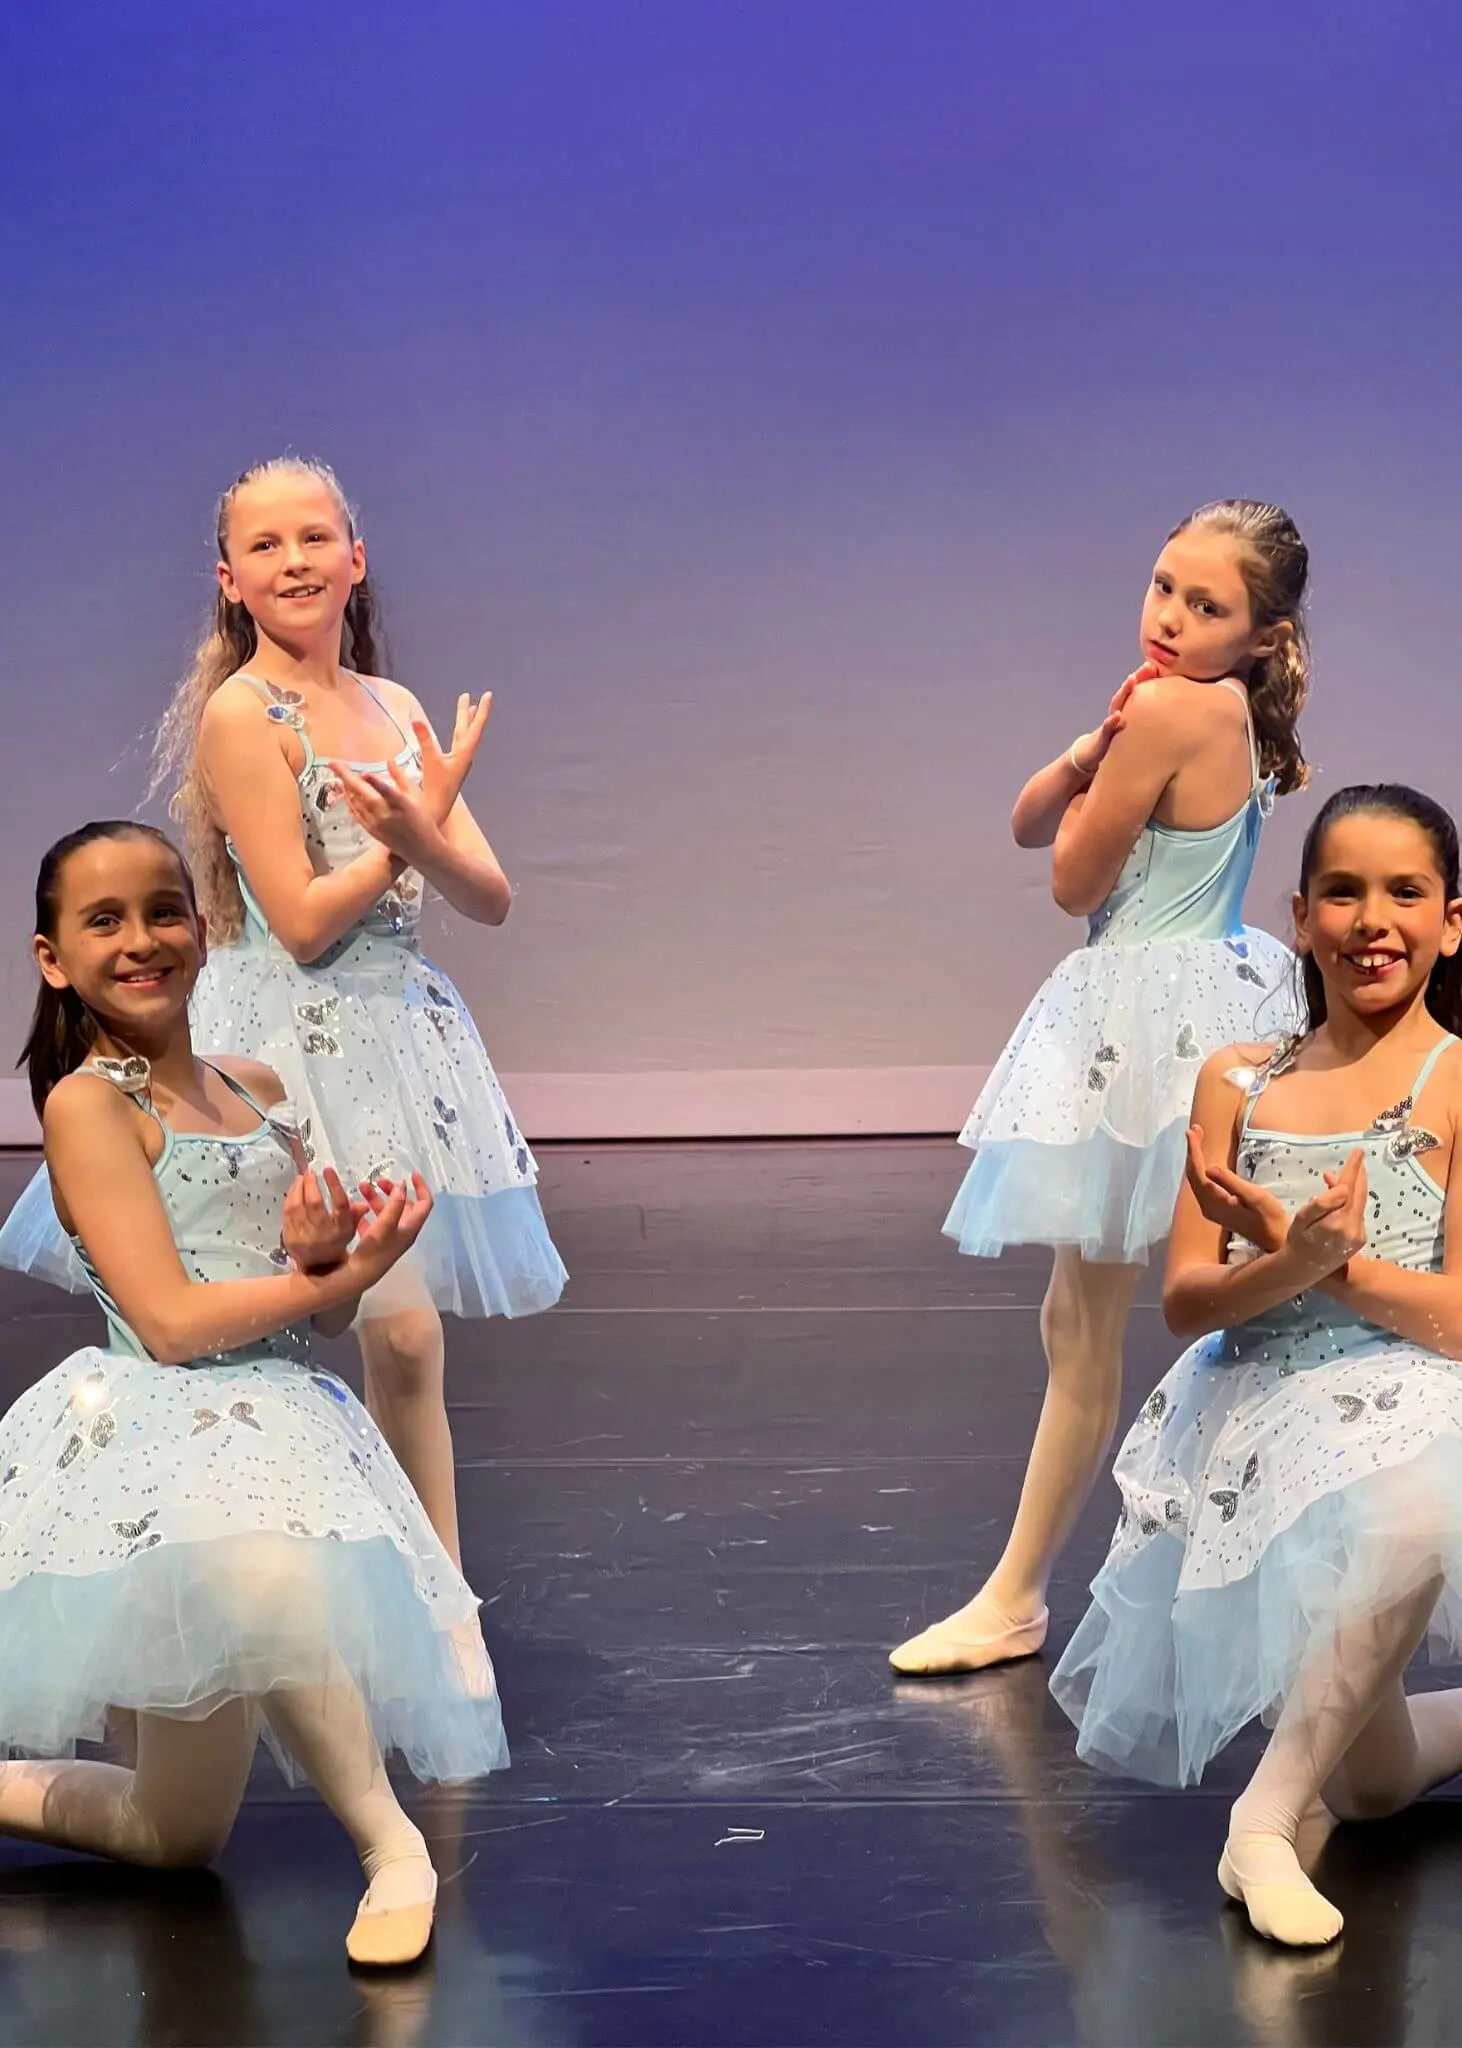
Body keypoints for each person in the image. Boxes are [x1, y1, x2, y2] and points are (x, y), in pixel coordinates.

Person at [0, 455, 565, 1575]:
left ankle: (430, 1593)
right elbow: (301, 921)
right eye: (265, 545)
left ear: (356, 559)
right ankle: (334, 1579)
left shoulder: (395, 708)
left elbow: (489, 895)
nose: (293, 560)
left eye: (314, 538)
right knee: (349, 1319)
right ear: (230, 580)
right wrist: (406, 840)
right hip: (289, 1044)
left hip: (396, 1040)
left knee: (408, 1344)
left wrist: (430, 826)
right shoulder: (241, 711)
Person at [0, 819, 507, 1966]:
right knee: (266, 1569)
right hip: (165, 1440)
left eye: (164, 910)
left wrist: (329, 1268)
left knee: (176, 1832)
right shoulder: (89, 1105)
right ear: (52, 957)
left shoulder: (257, 1085)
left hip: (279, 1416)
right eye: (105, 920)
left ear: (201, 928)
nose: (143, 940)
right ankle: (393, 1845)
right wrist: (328, 1276)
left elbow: (316, 1316)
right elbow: (173, 1325)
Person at [892, 500, 1309, 1676]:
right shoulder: (1221, 709)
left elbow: (1072, 878)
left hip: (1150, 1026)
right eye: (1164, 586)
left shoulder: (1178, 707)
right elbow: (1031, 818)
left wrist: (1111, 756)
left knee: (1096, 1324)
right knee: (1091, 1314)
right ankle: (1049, 1585)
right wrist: (1091, 747)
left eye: (1206, 604)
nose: (1170, 616)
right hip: (1202, 1007)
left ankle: (1018, 1594)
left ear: (1261, 632)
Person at [1053, 785, 1462, 1948]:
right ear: (1298, 914)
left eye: (1403, 892)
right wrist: (1292, 1265)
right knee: (1374, 1783)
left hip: (1413, 1383)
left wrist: (1323, 1264)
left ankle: (1261, 1823)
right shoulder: (1238, 1080)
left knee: (1419, 1500)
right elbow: (1187, 1298)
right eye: (1341, 890)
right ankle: (1321, 1790)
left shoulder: (1455, 1079)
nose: (1370, 918)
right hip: (1260, 1405)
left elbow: (1460, 1316)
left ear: (1452, 921)